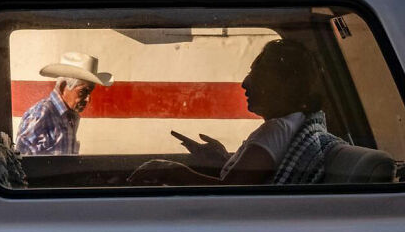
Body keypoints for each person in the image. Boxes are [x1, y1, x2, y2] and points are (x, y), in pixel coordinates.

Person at [128, 39, 324, 186]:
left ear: (280, 86)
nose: (245, 83)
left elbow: (231, 195)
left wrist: (172, 171)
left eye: (256, 74)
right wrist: (221, 159)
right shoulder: (290, 125)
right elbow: (245, 180)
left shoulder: (276, 130)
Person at [15, 51, 113, 156]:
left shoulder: (71, 116)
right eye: (82, 92)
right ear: (63, 87)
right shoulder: (41, 113)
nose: (88, 99)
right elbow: (21, 160)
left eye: (89, 92)